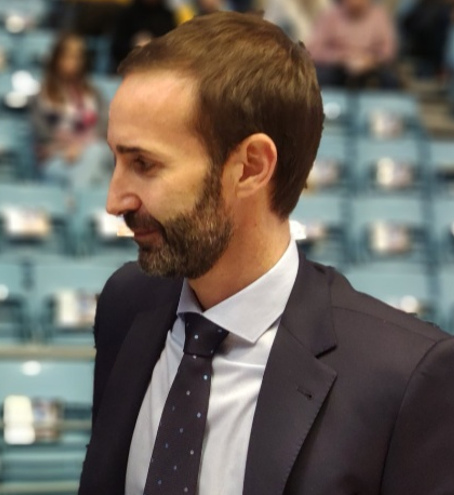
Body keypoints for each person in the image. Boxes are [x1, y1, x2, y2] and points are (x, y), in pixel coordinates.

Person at [79, 12, 454, 495]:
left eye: (143, 164)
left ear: (251, 167)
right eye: (115, 159)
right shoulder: (125, 303)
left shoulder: (405, 378)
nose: (114, 200)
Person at [29, 33, 111, 188]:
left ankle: (74, 202)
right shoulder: (42, 95)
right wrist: (66, 149)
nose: (73, 62)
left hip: (91, 152)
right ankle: (82, 204)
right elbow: (43, 136)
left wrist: (81, 148)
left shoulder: (94, 93)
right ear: (56, 58)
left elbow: (104, 128)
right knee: (101, 179)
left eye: (78, 57)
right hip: (57, 159)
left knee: (96, 153)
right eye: (68, 56)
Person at [307, 0, 400, 89]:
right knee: (318, 77)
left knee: (391, 80)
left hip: (371, 67)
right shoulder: (329, 16)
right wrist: (340, 58)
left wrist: (370, 60)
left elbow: (388, 50)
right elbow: (314, 49)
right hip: (336, 68)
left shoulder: (379, 16)